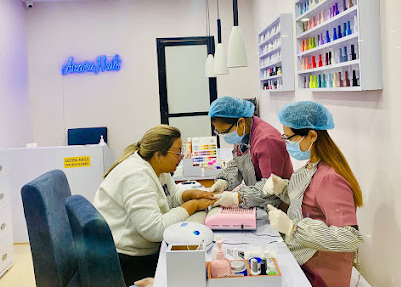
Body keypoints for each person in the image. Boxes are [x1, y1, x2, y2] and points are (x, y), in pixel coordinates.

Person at [94, 125, 215, 286]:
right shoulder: (137, 176)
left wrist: (191, 194)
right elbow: (155, 230)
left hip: (142, 251)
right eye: (177, 153)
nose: (181, 157)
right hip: (127, 261)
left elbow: (171, 195)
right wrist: (193, 205)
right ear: (158, 155)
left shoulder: (158, 168)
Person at [263, 101, 363, 287]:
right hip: (304, 259)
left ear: (312, 135)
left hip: (322, 273)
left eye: (289, 138)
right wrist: (283, 188)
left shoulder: (331, 178)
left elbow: (348, 238)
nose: (286, 143)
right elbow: (308, 202)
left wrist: (294, 228)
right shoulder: (313, 165)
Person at [208, 96, 293, 209]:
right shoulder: (242, 133)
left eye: (225, 132)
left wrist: (237, 197)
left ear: (241, 122)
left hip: (278, 206)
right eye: (219, 132)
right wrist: (224, 182)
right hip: (258, 202)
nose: (224, 136)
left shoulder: (266, 140)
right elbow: (238, 164)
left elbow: (271, 185)